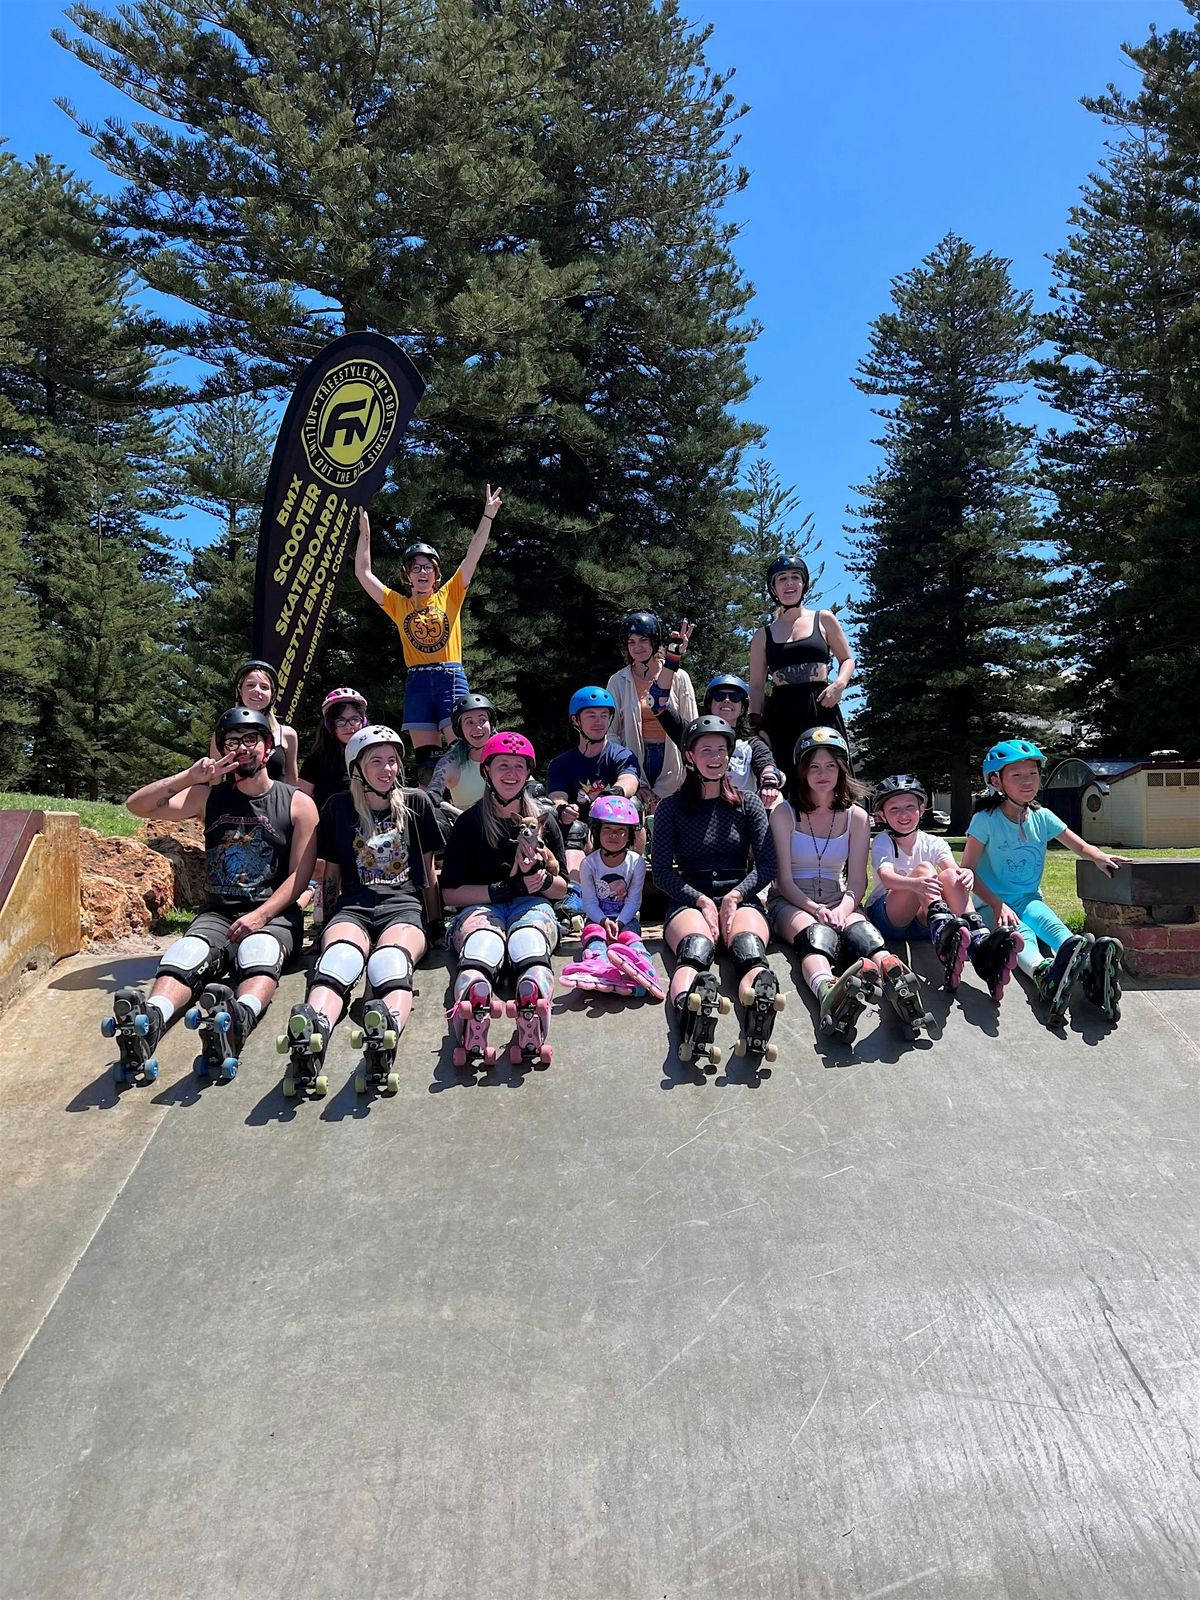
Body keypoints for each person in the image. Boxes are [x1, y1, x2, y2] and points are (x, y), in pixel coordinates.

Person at [103, 707, 317, 1085]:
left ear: (268, 746)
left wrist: (261, 916)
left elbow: (299, 878)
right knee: (186, 952)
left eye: (250, 739)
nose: (241, 749)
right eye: (232, 742)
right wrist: (190, 776)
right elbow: (137, 806)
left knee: (260, 952)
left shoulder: (297, 803)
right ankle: (148, 1020)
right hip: (218, 911)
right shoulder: (208, 796)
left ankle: (239, 1020)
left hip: (273, 913)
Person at [279, 725, 444, 1097]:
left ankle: (384, 1033)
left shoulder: (417, 803)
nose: (387, 769)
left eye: (392, 761)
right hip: (353, 907)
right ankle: (313, 1029)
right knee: (338, 959)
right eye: (376, 762)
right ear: (357, 768)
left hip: (402, 907)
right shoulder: (338, 806)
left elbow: (428, 869)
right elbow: (332, 874)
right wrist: (320, 925)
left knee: (390, 962)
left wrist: (435, 922)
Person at [769, 726, 929, 1041]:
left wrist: (843, 908)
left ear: (842, 768)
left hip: (838, 896)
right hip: (791, 900)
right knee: (816, 936)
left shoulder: (856, 816)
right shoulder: (784, 813)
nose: (822, 773)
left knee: (865, 934)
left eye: (830, 765)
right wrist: (816, 909)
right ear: (802, 771)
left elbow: (857, 879)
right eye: (814, 766)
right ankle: (828, 990)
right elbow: (783, 880)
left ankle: (896, 979)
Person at [961, 739, 1127, 1027]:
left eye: (1033, 773)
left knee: (1063, 935)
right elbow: (969, 871)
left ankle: (1092, 968)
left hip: (1029, 899)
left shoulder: (1042, 816)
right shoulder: (985, 820)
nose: (1027, 781)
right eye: (1017, 775)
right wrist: (997, 904)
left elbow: (1079, 845)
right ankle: (1044, 976)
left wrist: (1099, 857)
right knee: (1021, 936)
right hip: (993, 904)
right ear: (996, 780)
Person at [650, 715, 782, 1065]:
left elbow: (767, 865)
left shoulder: (749, 803)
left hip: (742, 894)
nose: (715, 756)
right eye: (705, 749)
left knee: (749, 950)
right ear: (690, 755)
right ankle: (689, 1011)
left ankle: (758, 1010)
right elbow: (662, 872)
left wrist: (737, 896)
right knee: (695, 950)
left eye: (721, 750)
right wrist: (701, 900)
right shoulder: (671, 808)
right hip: (689, 898)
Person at [354, 485, 502, 783]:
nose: (421, 573)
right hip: (417, 680)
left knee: (464, 748)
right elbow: (363, 573)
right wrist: (365, 534)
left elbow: (473, 554)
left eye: (427, 568)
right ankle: (433, 816)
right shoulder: (399, 604)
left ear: (436, 574)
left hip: (449, 677)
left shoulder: (450, 594)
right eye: (415, 568)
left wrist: (487, 515)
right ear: (406, 576)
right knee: (426, 764)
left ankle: (474, 806)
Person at [441, 731, 571, 1068]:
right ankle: (475, 1003)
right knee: (485, 940)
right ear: (487, 772)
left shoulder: (545, 820)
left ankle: (531, 1002)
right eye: (502, 766)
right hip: (482, 905)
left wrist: (541, 881)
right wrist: (499, 891)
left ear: (528, 773)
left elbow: (562, 888)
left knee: (528, 939)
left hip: (532, 904)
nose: (511, 773)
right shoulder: (469, 823)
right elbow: (450, 893)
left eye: (518, 766)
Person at [865, 774, 1019, 1002]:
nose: (903, 814)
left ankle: (978, 939)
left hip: (924, 922)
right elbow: (887, 878)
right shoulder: (883, 841)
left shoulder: (934, 842)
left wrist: (965, 874)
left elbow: (952, 872)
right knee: (925, 869)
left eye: (909, 806)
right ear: (881, 815)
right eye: (894, 809)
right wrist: (916, 883)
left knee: (951, 875)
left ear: (921, 808)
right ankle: (946, 934)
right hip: (890, 917)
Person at [649, 635, 782, 804]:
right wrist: (672, 657)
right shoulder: (691, 734)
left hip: (739, 816)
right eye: (719, 696)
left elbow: (766, 765)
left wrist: (769, 780)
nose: (726, 700)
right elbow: (657, 703)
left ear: (743, 708)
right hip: (697, 814)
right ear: (710, 704)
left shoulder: (753, 744)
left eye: (734, 697)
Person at [748, 557, 854, 768]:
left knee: (832, 769)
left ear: (803, 584)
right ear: (773, 588)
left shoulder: (823, 618)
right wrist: (755, 723)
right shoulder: (763, 635)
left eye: (795, 577)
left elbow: (847, 659)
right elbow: (757, 686)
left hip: (821, 705)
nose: (789, 583)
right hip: (781, 712)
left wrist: (839, 685)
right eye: (782, 579)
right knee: (787, 774)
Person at [546, 686, 641, 923]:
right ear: (576, 721)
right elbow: (556, 795)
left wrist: (613, 793)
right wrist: (562, 808)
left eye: (603, 716)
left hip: (612, 831)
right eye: (591, 715)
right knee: (568, 824)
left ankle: (630, 886)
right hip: (580, 834)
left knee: (634, 806)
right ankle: (576, 891)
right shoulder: (561, 763)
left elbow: (630, 779)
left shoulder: (620, 755)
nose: (598, 722)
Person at [560, 794, 664, 1000]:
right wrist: (603, 920)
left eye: (620, 831)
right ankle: (598, 961)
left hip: (626, 916)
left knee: (630, 936)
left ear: (630, 835)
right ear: (597, 832)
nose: (613, 836)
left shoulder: (637, 863)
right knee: (593, 933)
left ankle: (641, 962)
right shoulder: (589, 863)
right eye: (607, 829)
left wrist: (620, 920)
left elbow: (634, 900)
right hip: (598, 917)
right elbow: (589, 901)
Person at [297, 687, 369, 928]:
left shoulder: (372, 755)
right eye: (341, 720)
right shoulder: (316, 760)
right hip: (328, 831)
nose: (350, 726)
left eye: (355, 719)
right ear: (330, 724)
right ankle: (322, 899)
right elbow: (301, 799)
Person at [606, 611, 697, 801]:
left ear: (655, 642)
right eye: (631, 642)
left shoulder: (679, 677)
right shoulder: (617, 681)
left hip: (672, 761)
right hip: (632, 758)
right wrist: (630, 777)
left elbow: (691, 727)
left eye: (643, 640)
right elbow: (611, 734)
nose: (637, 647)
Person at [209, 660, 300, 783]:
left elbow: (292, 783)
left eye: (264, 687)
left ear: (272, 694)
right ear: (240, 691)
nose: (257, 691)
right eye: (250, 685)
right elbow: (215, 781)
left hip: (277, 801)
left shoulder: (288, 734)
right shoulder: (223, 732)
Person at [426, 691, 495, 825]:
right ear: (459, 729)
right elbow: (432, 795)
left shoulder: (506, 753)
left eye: (482, 720)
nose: (478, 727)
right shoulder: (451, 762)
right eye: (469, 722)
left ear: (491, 724)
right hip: (470, 831)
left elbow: (532, 786)